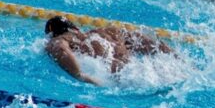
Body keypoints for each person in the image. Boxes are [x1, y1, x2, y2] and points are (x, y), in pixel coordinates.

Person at [44, 16, 173, 86]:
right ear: (76, 28)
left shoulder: (62, 38)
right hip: (146, 73)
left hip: (121, 82)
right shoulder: (109, 31)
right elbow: (147, 42)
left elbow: (60, 49)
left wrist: (80, 75)